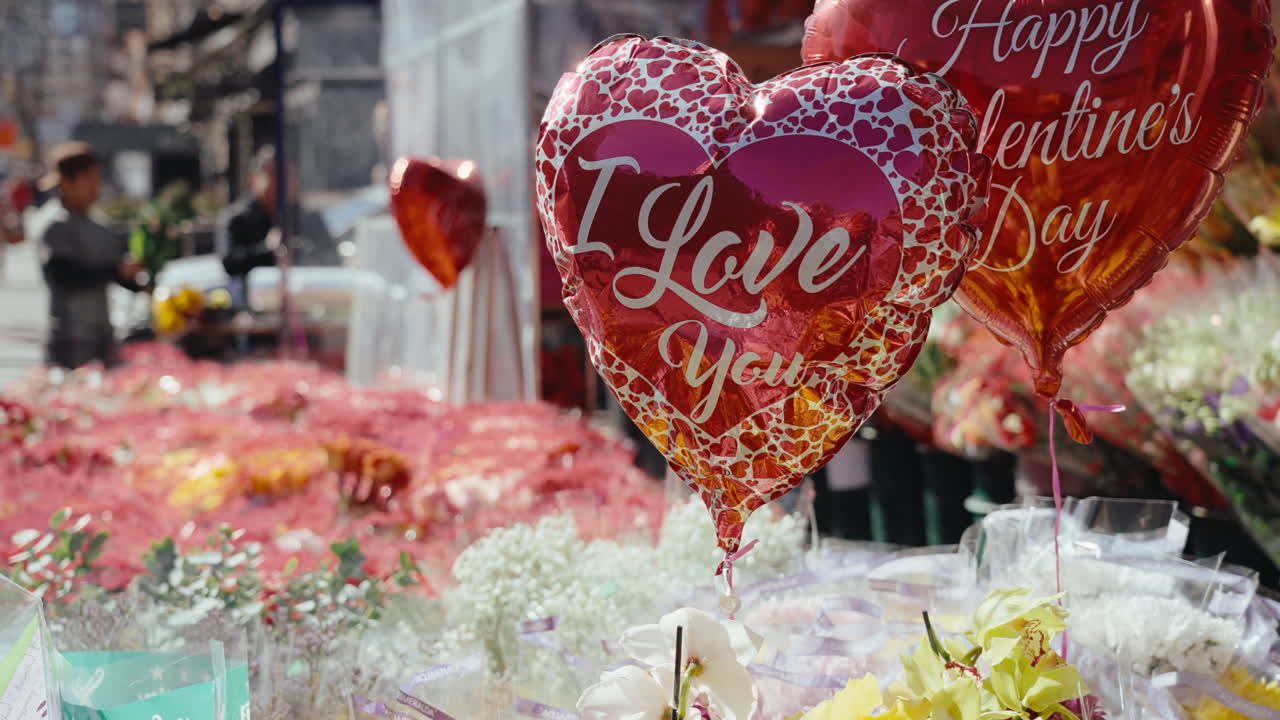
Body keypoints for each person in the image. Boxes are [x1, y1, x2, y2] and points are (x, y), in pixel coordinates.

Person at [28, 141, 145, 369]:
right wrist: (114, 271)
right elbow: (64, 274)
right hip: (70, 334)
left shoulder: (98, 222)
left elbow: (115, 272)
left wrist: (132, 276)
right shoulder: (55, 223)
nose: (96, 187)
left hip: (102, 332)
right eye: (89, 180)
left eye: (98, 179)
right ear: (67, 182)